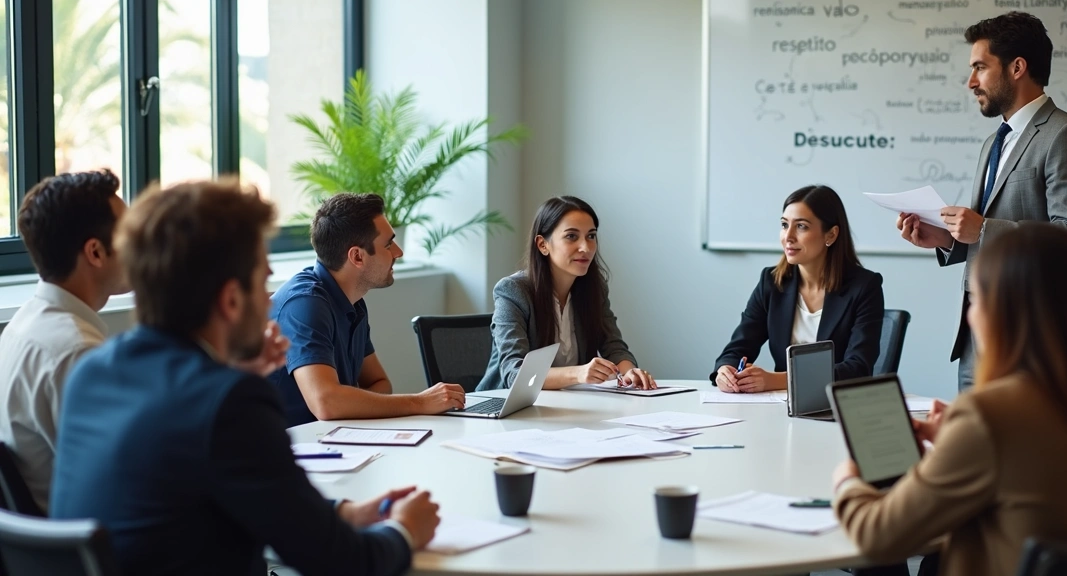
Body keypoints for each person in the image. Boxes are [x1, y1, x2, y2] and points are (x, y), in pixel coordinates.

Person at [51, 180, 440, 576]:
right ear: (232, 299)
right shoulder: (230, 402)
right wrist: (405, 530)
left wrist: (343, 512)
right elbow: (342, 562)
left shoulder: (93, 372)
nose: (271, 299)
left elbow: (221, 497)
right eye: (262, 279)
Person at [831, 224, 1067, 576]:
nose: (970, 316)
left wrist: (847, 478)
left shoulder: (988, 416)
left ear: (1006, 312)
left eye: (976, 299)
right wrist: (956, 442)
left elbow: (878, 537)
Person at [895, 11, 1067, 390]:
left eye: (980, 67)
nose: (971, 82)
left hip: (1031, 336)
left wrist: (983, 230)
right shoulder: (994, 142)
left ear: (1017, 67)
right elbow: (986, 232)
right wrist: (947, 239)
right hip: (976, 335)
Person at [267, 193, 465, 427]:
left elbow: (380, 383)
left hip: (329, 439)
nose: (398, 252)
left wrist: (348, 403)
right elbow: (326, 403)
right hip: (282, 444)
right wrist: (420, 402)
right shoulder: (305, 305)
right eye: (388, 244)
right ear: (357, 256)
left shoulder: (353, 301)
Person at [0, 170, 128, 513]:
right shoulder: (77, 353)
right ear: (96, 252)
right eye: (131, 234)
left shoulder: (22, 327)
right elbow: (127, 478)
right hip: (91, 536)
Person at [713, 185, 883, 392]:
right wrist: (726, 370)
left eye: (801, 226)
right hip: (781, 404)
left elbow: (858, 369)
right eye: (784, 225)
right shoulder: (771, 282)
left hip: (837, 403)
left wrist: (778, 380)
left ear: (831, 235)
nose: (788, 236)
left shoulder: (865, 286)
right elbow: (738, 347)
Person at [477, 196, 651, 391]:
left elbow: (614, 347)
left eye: (591, 236)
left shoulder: (594, 289)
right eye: (571, 236)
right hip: (504, 404)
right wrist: (578, 373)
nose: (586, 247)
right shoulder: (513, 291)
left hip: (569, 403)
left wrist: (629, 372)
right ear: (543, 245)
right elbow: (515, 374)